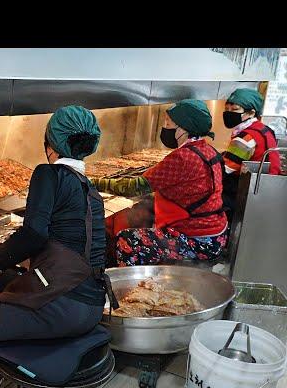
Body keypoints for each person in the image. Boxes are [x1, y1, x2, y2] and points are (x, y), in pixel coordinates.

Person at [0, 105, 113, 351]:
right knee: (8, 291)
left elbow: (34, 234)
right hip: (91, 307)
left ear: (50, 144)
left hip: (62, 306)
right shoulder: (89, 189)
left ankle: (6, 358)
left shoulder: (49, 173)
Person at [91, 99, 228, 267]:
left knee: (127, 239)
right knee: (140, 216)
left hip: (199, 240)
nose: (165, 127)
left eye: (168, 123)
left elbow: (134, 187)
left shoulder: (183, 157)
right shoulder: (207, 150)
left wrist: (94, 182)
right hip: (216, 233)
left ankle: (131, 285)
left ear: (183, 128)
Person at [221, 88, 279, 224]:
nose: (229, 113)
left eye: (234, 109)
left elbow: (225, 169)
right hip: (268, 190)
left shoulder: (246, 137)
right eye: (227, 109)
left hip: (246, 194)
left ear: (251, 112)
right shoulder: (264, 129)